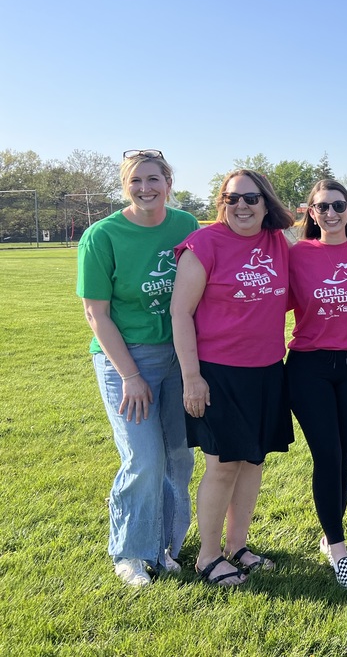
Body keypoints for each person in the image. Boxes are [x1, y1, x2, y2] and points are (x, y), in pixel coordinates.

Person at [77, 149, 199, 586]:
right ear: (125, 186)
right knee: (144, 458)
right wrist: (130, 375)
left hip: (178, 355)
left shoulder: (186, 225)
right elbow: (96, 313)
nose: (145, 188)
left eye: (153, 179)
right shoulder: (102, 235)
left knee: (178, 458)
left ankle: (164, 548)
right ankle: (129, 552)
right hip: (125, 358)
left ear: (168, 182)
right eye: (136, 181)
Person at [171, 169, 294, 587]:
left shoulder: (277, 242)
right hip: (218, 372)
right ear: (222, 203)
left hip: (267, 369)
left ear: (266, 203)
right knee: (224, 465)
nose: (241, 205)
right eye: (231, 198)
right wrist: (192, 377)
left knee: (253, 460)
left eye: (251, 198)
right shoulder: (203, 243)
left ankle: (237, 545)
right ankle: (207, 556)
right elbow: (180, 313)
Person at [286, 179, 347, 587]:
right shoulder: (296, 255)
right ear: (311, 212)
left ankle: (330, 537)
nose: (330, 213)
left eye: (338, 206)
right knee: (327, 454)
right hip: (309, 366)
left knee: (344, 453)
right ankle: (340, 551)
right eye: (322, 206)